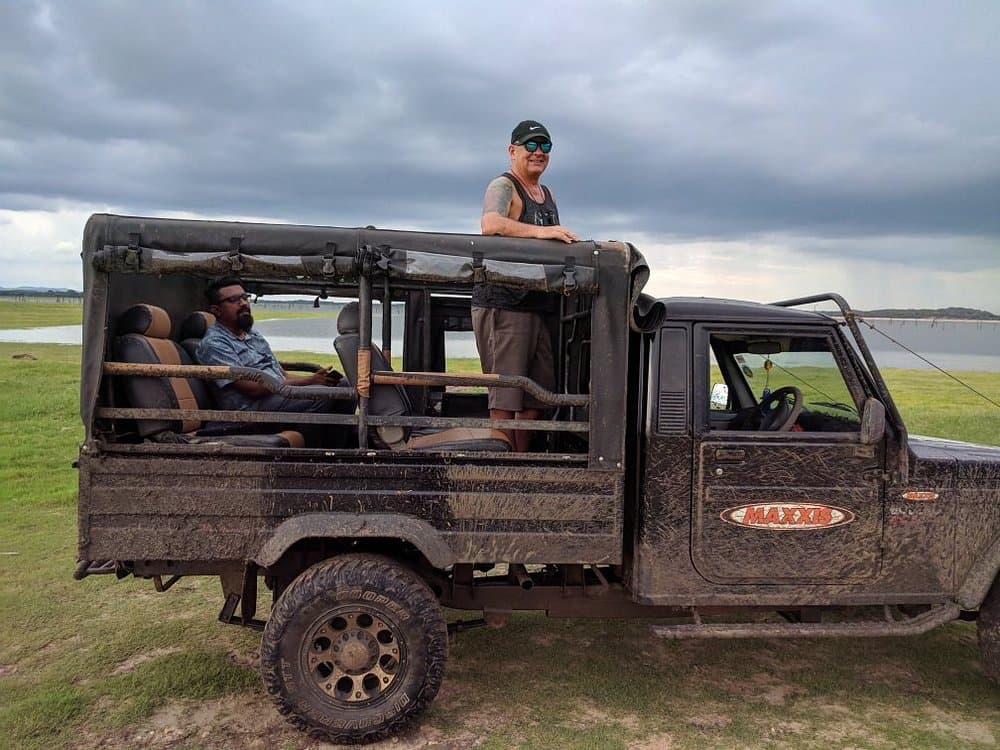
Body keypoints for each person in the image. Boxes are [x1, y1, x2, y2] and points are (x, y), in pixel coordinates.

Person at [472, 120, 578, 452]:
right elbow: (490, 224)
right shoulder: (503, 186)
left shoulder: (547, 195)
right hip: (504, 303)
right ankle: (503, 466)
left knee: (536, 396)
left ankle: (522, 459)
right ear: (512, 150)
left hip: (538, 304)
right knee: (506, 395)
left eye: (545, 146)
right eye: (530, 145)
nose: (538, 152)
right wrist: (544, 232)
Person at [196, 275, 351, 444]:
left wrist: (316, 379)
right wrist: (309, 381)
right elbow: (253, 389)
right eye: (234, 300)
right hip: (250, 410)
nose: (243, 303)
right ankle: (314, 453)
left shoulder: (253, 335)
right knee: (324, 396)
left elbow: (282, 375)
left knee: (343, 386)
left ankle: (338, 448)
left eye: (244, 297)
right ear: (217, 310)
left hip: (276, 396)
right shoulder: (214, 344)